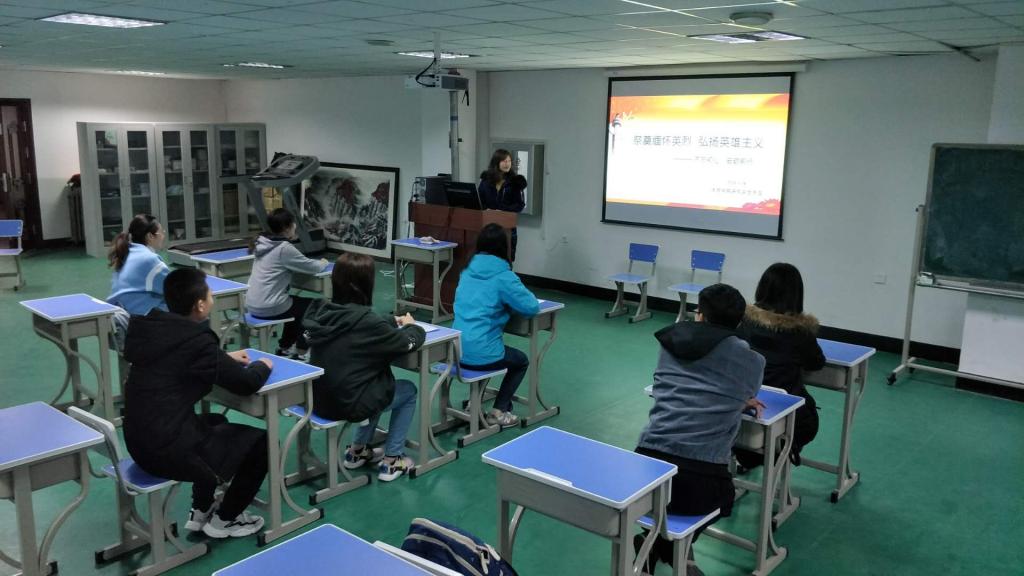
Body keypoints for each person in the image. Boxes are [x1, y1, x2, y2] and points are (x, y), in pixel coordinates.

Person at [122, 267, 273, 539]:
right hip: (166, 453)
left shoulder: (154, 330)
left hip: (139, 444)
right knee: (265, 443)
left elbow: (176, 363)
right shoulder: (196, 342)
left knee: (215, 420)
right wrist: (263, 365)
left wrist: (222, 358)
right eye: (210, 295)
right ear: (200, 305)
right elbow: (246, 383)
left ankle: (201, 509)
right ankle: (226, 519)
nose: (212, 298)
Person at [635, 283, 765, 576]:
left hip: (646, 467)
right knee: (725, 496)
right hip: (699, 479)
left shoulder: (669, 341)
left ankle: (656, 545)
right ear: (739, 323)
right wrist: (738, 399)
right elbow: (742, 388)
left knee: (661, 503)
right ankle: (670, 547)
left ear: (700, 315)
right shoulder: (752, 360)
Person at [303, 252, 426, 482]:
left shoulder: (322, 310)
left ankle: (357, 450)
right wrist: (413, 326)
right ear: (366, 284)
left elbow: (356, 321)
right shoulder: (368, 323)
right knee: (406, 390)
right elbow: (407, 343)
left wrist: (389, 320)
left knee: (374, 382)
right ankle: (393, 459)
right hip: (348, 404)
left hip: (318, 400)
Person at [736, 262, 826, 470]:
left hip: (743, 403)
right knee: (807, 419)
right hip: (786, 413)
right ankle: (780, 451)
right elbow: (816, 363)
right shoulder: (800, 333)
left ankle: (750, 456)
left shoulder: (743, 322)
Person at [452, 223, 540, 428]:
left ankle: (473, 404)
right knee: (520, 361)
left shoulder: (466, 270)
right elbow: (531, 307)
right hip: (481, 352)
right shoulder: (504, 276)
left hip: (456, 349)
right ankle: (499, 411)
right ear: (504, 247)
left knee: (488, 351)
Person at [245, 208, 328, 360]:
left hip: (251, 304)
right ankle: (303, 350)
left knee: (294, 306)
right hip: (269, 305)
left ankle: (285, 347)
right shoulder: (284, 248)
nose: (295, 226)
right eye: (293, 223)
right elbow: (312, 267)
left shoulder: (262, 242)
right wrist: (324, 262)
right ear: (287, 227)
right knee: (314, 306)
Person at [108, 214, 170, 315]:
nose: (163, 236)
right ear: (150, 236)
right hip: (138, 317)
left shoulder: (127, 252)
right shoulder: (150, 260)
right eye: (161, 232)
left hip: (118, 311)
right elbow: (173, 289)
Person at [477, 149, 527, 261]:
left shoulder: (515, 182)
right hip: (488, 227)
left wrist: (502, 211)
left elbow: (520, 205)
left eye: (509, 161)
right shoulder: (485, 180)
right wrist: (487, 210)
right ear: (496, 162)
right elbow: (480, 200)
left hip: (507, 228)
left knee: (505, 260)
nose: (507, 164)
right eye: (504, 161)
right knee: (487, 259)